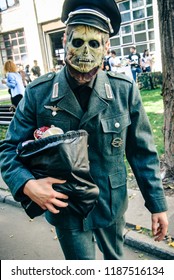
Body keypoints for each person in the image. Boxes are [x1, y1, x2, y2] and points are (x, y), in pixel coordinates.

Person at [0, 0, 168, 260]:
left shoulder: (124, 91)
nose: (85, 52)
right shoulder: (38, 93)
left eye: (94, 43)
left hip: (110, 204)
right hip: (65, 208)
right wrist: (27, 184)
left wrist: (157, 205)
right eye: (78, 42)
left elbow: (141, 152)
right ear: (65, 40)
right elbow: (8, 149)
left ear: (107, 46)